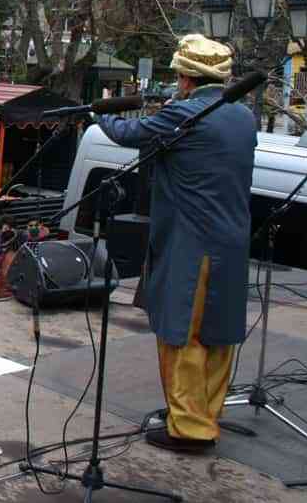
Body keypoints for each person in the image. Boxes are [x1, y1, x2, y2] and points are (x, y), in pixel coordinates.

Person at [94, 34, 254, 453]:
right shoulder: (243, 116)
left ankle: (189, 428)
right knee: (218, 335)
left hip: (192, 243)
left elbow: (130, 133)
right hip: (232, 243)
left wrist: (99, 112)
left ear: (186, 77)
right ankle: (205, 415)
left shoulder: (187, 113)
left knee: (181, 333)